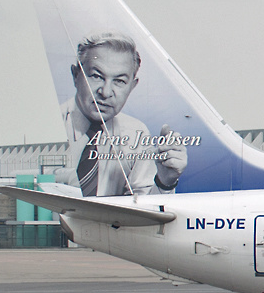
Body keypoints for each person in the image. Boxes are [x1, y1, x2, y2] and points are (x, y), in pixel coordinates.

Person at [56, 32, 187, 196]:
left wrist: (164, 182)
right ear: (76, 75)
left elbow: (142, 208)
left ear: (132, 86)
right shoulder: (52, 126)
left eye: (119, 81)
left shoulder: (135, 134)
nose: (105, 92)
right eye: (96, 76)